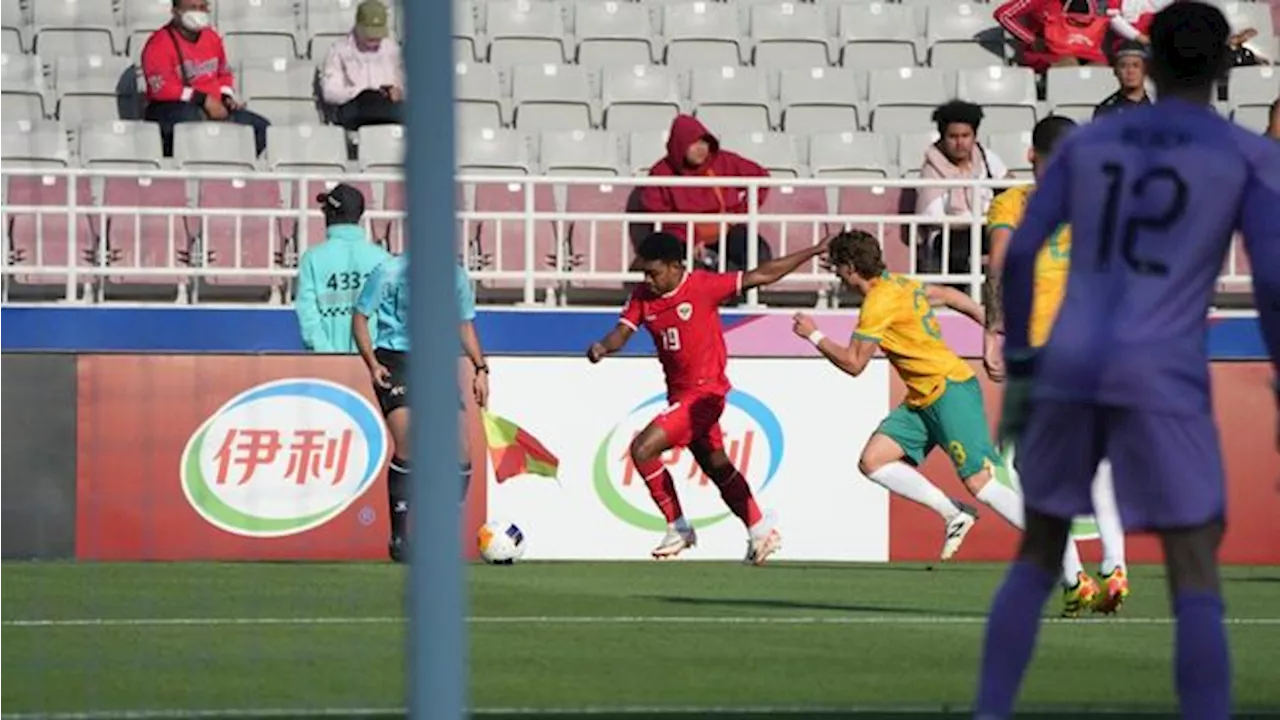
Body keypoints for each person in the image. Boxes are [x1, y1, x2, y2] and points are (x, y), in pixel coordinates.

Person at [976, 3, 1280, 718]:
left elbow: (1019, 256)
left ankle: (991, 711)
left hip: (1071, 358)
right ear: (1220, 67)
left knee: (1038, 554)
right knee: (1194, 565)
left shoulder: (1088, 145)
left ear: (1154, 59)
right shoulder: (1248, 156)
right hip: (1162, 367)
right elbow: (1272, 284)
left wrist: (1020, 363)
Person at [791, 231, 1036, 564]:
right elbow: (949, 295)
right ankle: (953, 513)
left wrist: (814, 335)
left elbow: (854, 363)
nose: (837, 277)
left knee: (980, 481)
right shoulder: (899, 283)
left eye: (838, 270)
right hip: (922, 397)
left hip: (949, 389)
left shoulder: (878, 302)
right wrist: (989, 322)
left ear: (851, 268)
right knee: (873, 461)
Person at [585, 231, 827, 564]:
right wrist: (603, 346)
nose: (648, 280)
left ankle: (678, 527)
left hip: (705, 394)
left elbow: (762, 275)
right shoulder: (644, 295)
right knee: (717, 466)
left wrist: (813, 249)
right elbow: (622, 332)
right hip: (680, 395)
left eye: (654, 273)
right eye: (644, 273)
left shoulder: (702, 287)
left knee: (642, 449)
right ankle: (759, 529)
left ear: (674, 267)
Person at [983, 116, 1131, 617]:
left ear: (1030, 155)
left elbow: (999, 264)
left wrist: (992, 330)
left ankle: (1074, 580)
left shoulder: (1012, 203)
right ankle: (1114, 564)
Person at [353, 256, 490, 563]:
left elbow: (463, 324)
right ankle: (400, 536)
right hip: (394, 361)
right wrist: (372, 364)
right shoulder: (388, 271)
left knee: (461, 448)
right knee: (409, 441)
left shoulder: (454, 275)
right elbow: (360, 316)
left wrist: (481, 369)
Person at [637, 115, 772, 273]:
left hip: (725, 231)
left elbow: (761, 178)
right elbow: (658, 214)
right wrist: (690, 239)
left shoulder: (724, 160)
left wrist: (740, 213)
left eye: (704, 142)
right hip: (683, 236)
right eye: (693, 143)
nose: (701, 148)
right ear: (680, 144)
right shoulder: (661, 172)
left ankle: (741, 291)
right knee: (681, 260)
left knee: (758, 253)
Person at [140, 0, 271, 157]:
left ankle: (230, 167)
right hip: (174, 108)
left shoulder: (211, 37)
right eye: (192, 8)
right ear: (175, 11)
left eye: (203, 7)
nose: (198, 12)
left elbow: (223, 73)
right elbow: (161, 89)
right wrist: (202, 99)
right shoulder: (159, 43)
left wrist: (226, 95)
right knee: (192, 119)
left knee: (261, 128)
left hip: (214, 108)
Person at [915, 101, 1010, 278]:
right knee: (957, 249)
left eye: (965, 136)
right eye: (953, 137)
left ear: (974, 135)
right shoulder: (931, 171)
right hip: (950, 235)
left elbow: (1010, 184)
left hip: (987, 228)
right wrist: (974, 221)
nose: (960, 143)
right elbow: (933, 217)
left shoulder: (986, 158)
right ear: (943, 137)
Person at [294, 184, 392, 353]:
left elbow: (308, 316)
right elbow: (390, 317)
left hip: (325, 366)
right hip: (375, 364)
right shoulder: (382, 259)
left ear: (330, 213)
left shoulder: (312, 258)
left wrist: (326, 354)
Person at [320, 0, 405, 130]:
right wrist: (359, 90)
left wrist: (398, 92)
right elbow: (330, 92)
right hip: (355, 108)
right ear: (358, 26)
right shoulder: (339, 51)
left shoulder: (392, 50)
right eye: (370, 33)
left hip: (388, 108)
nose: (375, 39)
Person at [1093, 41, 1151, 119]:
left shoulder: (1158, 107)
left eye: (1136, 65)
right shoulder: (1106, 111)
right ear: (1115, 71)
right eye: (1123, 66)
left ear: (1145, 70)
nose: (1130, 71)